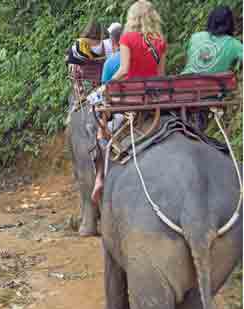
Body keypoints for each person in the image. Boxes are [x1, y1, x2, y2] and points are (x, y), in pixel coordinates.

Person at [92, 0, 167, 206]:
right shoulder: (160, 40)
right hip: (153, 100)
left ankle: (100, 176)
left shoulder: (127, 38)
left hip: (131, 100)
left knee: (100, 121)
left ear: (132, 18)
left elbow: (124, 70)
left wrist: (106, 85)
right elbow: (160, 75)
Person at [182, 6, 242, 75]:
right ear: (230, 23)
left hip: (184, 82)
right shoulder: (233, 44)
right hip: (215, 84)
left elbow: (190, 61)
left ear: (211, 20)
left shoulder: (195, 37)